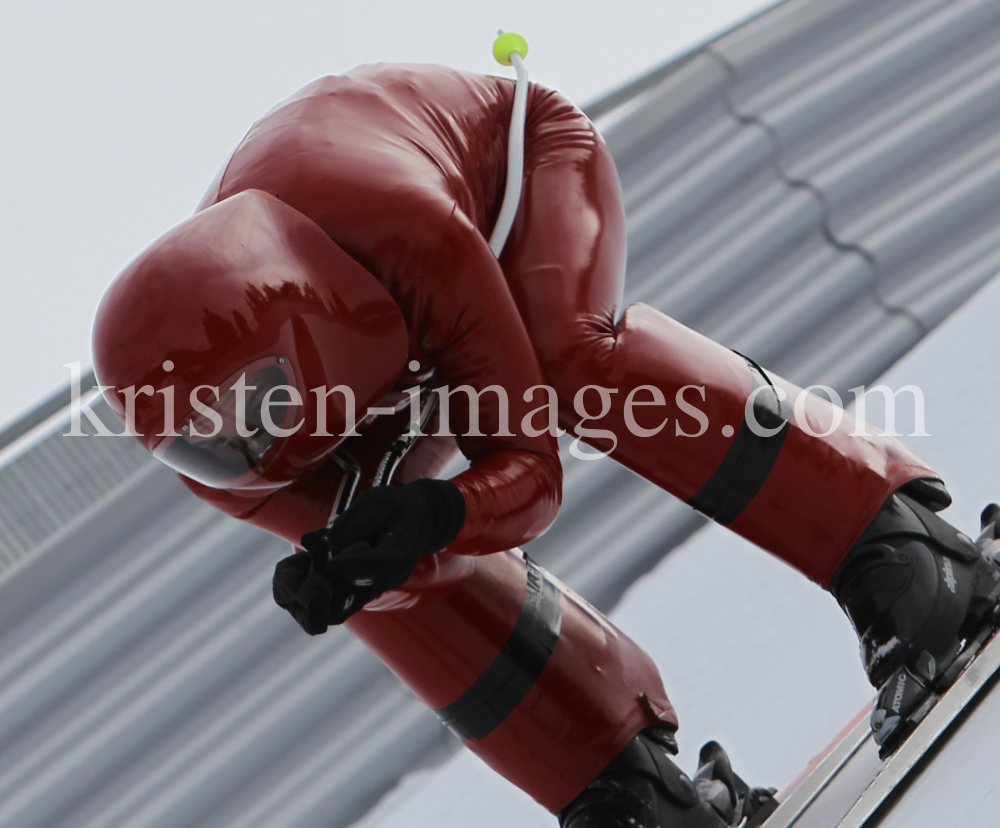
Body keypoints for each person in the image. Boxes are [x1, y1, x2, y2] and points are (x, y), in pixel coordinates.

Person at [91, 57, 1000, 827]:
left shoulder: (393, 219)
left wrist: (441, 507)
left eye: (254, 405)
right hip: (384, 328)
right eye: (205, 441)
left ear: (295, 319)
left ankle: (900, 552)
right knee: (378, 572)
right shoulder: (230, 472)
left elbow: (532, 476)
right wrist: (365, 562)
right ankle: (624, 785)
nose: (252, 447)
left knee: (567, 356)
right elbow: (402, 546)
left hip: (513, 178)